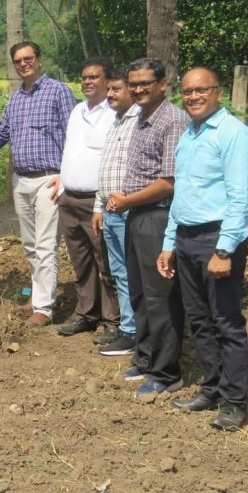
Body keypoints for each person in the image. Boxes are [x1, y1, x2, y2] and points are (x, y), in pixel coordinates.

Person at [157, 67, 248, 430]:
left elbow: (241, 199)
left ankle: (234, 401)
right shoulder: (189, 134)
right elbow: (181, 195)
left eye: (201, 91)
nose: (194, 97)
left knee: (226, 321)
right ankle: (212, 387)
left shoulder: (234, 135)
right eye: (187, 92)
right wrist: (170, 243)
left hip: (217, 238)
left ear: (218, 93)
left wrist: (225, 250)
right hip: (186, 237)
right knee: (199, 320)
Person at [0, 41, 76, 326]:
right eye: (18, 61)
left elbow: (75, 136)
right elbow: (0, 136)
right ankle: (35, 296)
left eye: (28, 58)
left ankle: (44, 309)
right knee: (31, 245)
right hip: (22, 181)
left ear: (39, 59)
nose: (23, 64)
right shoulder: (16, 99)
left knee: (46, 246)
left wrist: (65, 174)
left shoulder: (58, 92)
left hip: (49, 179)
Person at [106, 58, 187, 395]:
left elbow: (168, 182)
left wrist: (127, 200)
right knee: (139, 291)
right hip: (136, 215)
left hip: (157, 215)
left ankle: (167, 373)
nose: (138, 89)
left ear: (163, 84)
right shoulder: (140, 118)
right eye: (134, 83)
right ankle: (146, 357)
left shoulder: (172, 121)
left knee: (161, 297)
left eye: (145, 83)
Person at [55, 57, 120, 343]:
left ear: (106, 81)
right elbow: (72, 150)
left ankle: (113, 320)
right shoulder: (77, 111)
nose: (88, 81)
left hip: (96, 201)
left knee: (105, 262)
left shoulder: (114, 113)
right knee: (80, 261)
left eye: (94, 77)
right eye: (84, 77)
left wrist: (103, 201)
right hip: (69, 198)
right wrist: (61, 178)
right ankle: (86, 314)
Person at [92, 67, 142, 356]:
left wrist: (126, 200)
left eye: (115, 90)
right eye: (108, 89)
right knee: (119, 272)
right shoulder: (116, 122)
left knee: (130, 273)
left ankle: (134, 331)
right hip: (110, 210)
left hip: (128, 210)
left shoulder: (138, 122)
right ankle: (127, 328)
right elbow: (107, 168)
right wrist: (99, 206)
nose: (109, 94)